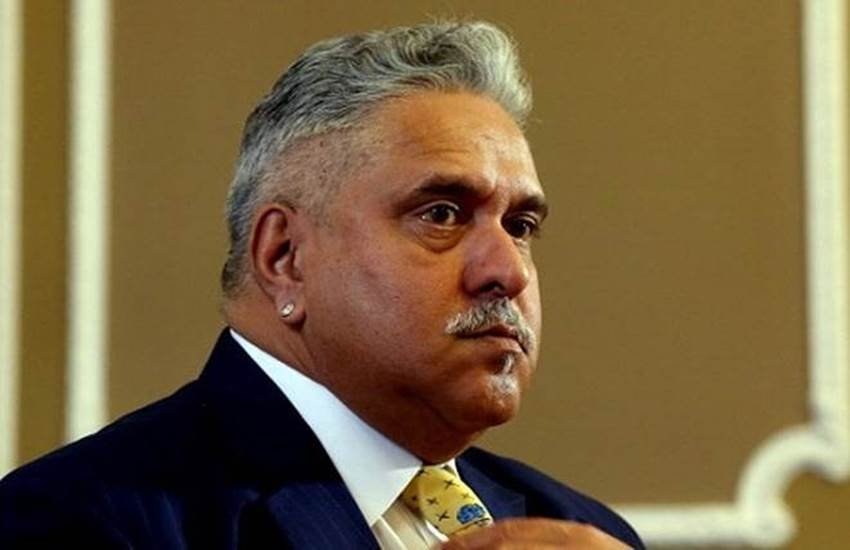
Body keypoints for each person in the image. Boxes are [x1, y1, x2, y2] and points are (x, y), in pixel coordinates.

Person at [0, 21, 643, 549]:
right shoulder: (79, 521)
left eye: (520, 225)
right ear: (284, 258)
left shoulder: (578, 527)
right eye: (442, 214)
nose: (509, 270)